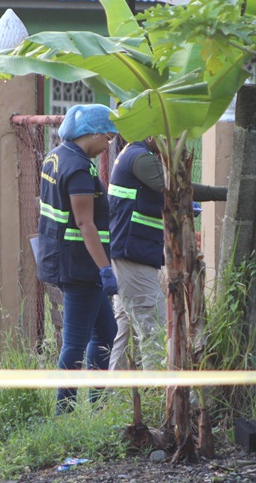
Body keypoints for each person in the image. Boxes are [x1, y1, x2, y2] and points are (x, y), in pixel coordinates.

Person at [107, 136, 227, 371]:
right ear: (151, 134)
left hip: (129, 254)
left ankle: (114, 396)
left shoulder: (131, 153)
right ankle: (155, 393)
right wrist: (224, 193)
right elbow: (178, 187)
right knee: (154, 327)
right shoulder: (140, 158)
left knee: (126, 331)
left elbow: (151, 197)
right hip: (133, 258)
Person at [34, 104, 120, 414]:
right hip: (81, 267)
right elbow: (86, 224)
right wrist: (105, 269)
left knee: (106, 335)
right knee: (74, 344)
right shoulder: (80, 169)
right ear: (93, 133)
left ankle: (98, 408)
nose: (107, 144)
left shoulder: (56, 155)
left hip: (63, 259)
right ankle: (64, 413)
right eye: (107, 138)